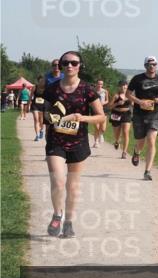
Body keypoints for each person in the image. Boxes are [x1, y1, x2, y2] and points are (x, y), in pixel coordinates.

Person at [42, 51, 104, 239]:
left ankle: (68, 222)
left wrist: (80, 117)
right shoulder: (52, 89)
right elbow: (45, 114)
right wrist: (52, 117)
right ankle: (57, 214)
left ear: (79, 66)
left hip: (78, 142)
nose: (69, 66)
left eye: (74, 63)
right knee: (58, 181)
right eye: (65, 62)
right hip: (56, 141)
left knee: (72, 186)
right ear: (60, 65)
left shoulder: (87, 90)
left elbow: (101, 116)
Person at [127, 56, 158, 181]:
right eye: (149, 64)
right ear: (145, 66)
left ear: (157, 65)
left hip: (154, 114)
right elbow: (128, 94)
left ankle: (147, 171)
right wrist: (139, 102)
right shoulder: (137, 79)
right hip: (139, 114)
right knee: (141, 141)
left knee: (151, 140)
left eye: (154, 64)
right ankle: (136, 151)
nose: (152, 66)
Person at [109, 79, 133, 158]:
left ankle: (124, 152)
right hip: (116, 114)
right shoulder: (116, 95)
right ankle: (117, 141)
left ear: (127, 87)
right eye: (122, 86)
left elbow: (134, 104)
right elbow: (110, 106)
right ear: (119, 87)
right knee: (117, 134)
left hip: (126, 114)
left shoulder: (130, 95)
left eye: (125, 86)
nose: (123, 87)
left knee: (126, 132)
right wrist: (117, 103)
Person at [92, 79, 110, 148]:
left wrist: (103, 103)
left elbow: (107, 100)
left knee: (103, 128)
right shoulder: (93, 91)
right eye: (98, 84)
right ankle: (96, 142)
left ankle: (100, 134)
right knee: (97, 127)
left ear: (102, 85)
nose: (99, 85)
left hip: (103, 110)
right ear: (96, 84)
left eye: (101, 84)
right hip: (95, 110)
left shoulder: (105, 91)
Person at [31, 74, 48, 141]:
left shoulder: (46, 88)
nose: (41, 82)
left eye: (42, 80)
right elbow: (30, 96)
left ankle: (41, 130)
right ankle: (37, 135)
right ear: (38, 81)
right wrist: (28, 105)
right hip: (35, 105)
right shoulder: (34, 87)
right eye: (40, 80)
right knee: (36, 119)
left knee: (41, 121)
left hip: (43, 105)